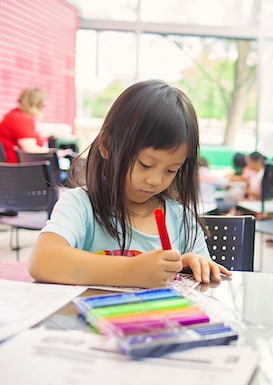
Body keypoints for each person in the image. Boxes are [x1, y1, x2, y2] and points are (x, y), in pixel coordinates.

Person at [28, 80, 231, 288]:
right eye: (145, 164)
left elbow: (205, 279)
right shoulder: (81, 206)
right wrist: (131, 270)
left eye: (171, 170)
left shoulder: (182, 220)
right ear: (107, 145)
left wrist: (190, 265)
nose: (155, 180)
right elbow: (42, 261)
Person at [0, 87, 49, 163]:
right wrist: (54, 152)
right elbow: (30, 149)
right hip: (18, 168)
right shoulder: (19, 119)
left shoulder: (16, 116)